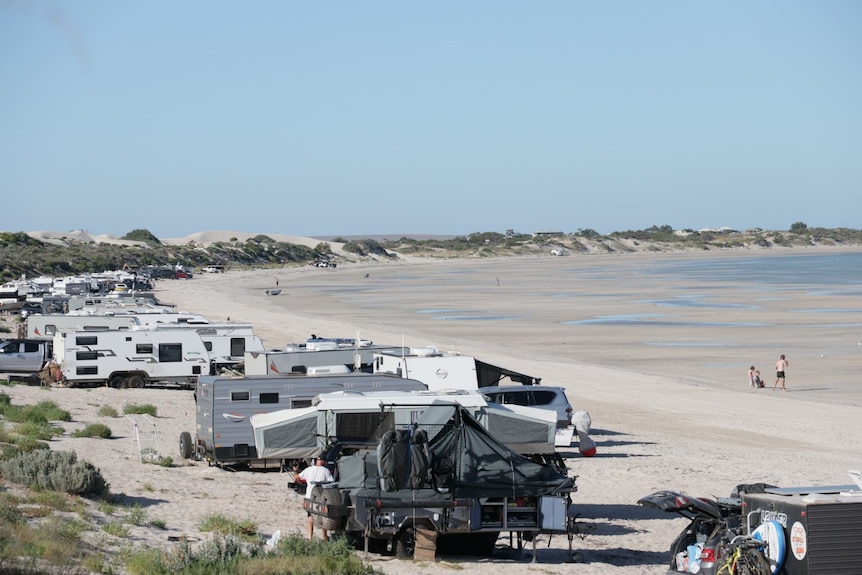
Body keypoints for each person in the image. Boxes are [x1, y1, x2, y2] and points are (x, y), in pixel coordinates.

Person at [293, 457, 334, 539]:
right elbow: (331, 484)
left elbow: (297, 478)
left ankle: (310, 538)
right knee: (322, 517)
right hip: (321, 497)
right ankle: (324, 536)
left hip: (309, 497)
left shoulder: (309, 470)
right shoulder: (326, 471)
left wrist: (295, 470)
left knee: (310, 518)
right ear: (323, 461)